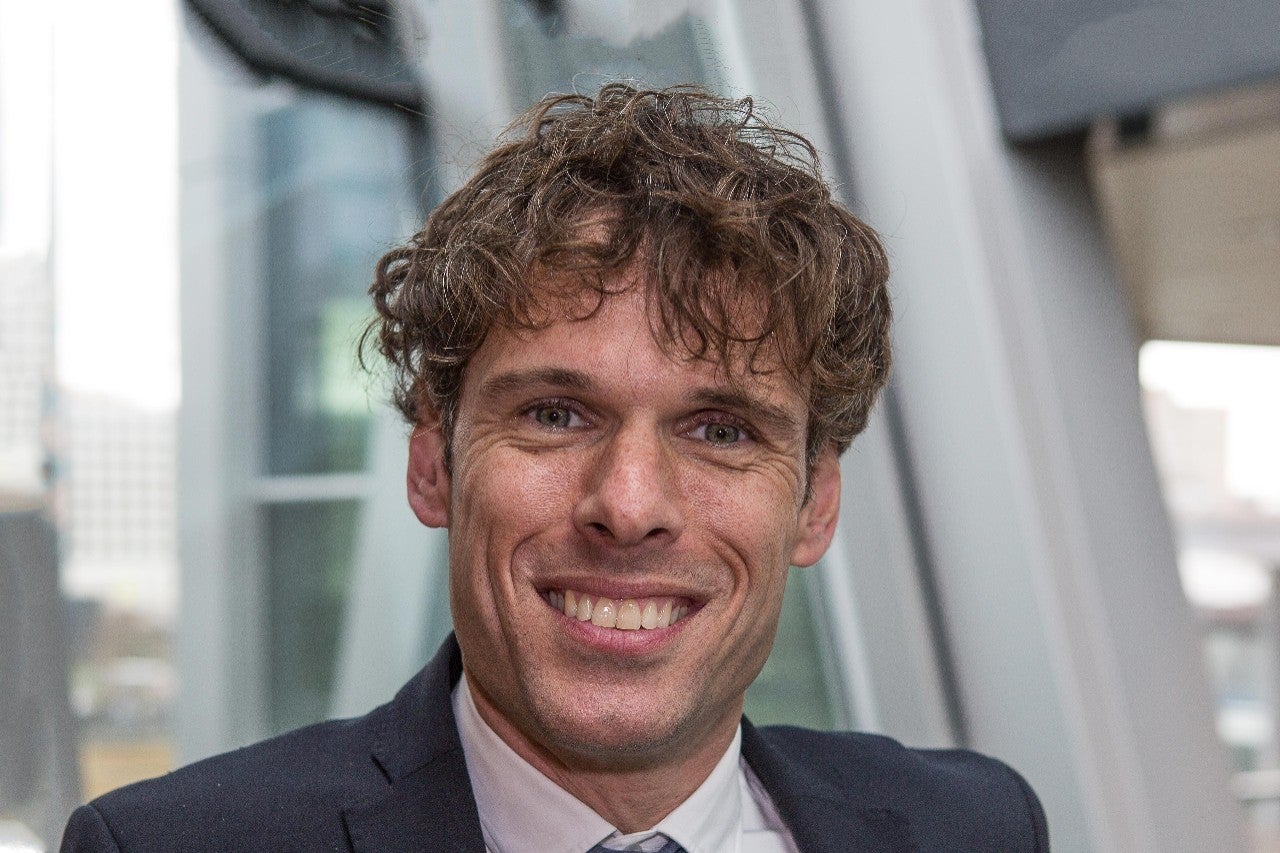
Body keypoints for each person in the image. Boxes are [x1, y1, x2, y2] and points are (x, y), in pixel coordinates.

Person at [62, 84, 1048, 852]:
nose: (629, 503)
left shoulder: (973, 828)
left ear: (815, 503)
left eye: (719, 431)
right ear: (432, 460)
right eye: (555, 414)